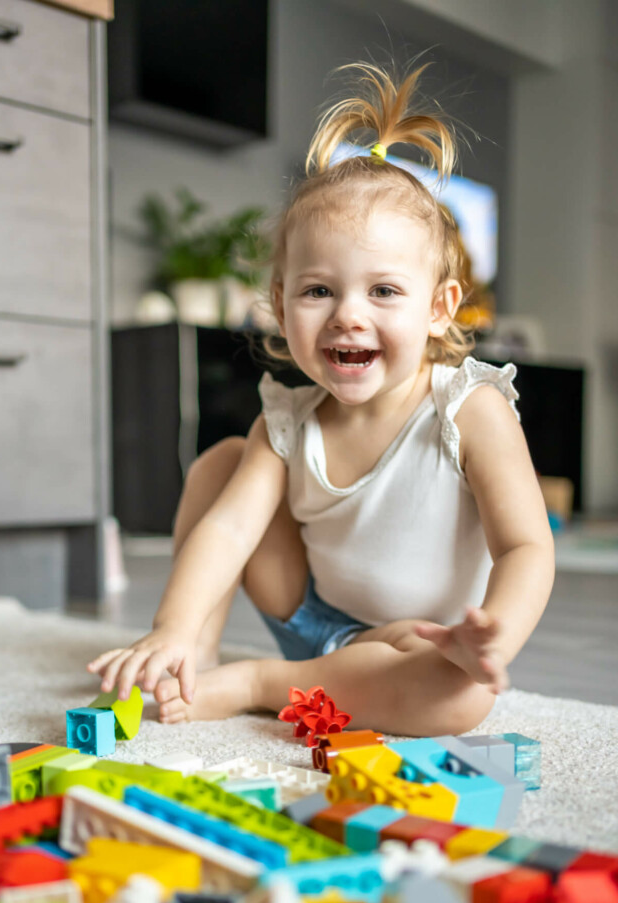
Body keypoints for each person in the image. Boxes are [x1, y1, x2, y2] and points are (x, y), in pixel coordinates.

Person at [89, 63, 555, 737]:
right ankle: (195, 657)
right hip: (307, 618)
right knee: (222, 464)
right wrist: (171, 625)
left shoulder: (469, 408)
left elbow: (526, 548)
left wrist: (495, 638)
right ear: (281, 305)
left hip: (414, 642)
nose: (348, 316)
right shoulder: (289, 418)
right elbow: (227, 532)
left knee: (459, 698)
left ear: (439, 307)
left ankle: (255, 684)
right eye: (318, 291)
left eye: (384, 292)